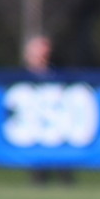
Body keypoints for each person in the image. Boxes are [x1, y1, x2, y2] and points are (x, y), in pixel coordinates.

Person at [23, 34, 75, 186]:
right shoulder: (20, 77)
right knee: (37, 162)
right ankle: (39, 179)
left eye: (45, 53)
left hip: (55, 122)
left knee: (61, 155)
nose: (43, 56)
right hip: (33, 122)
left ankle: (65, 180)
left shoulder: (57, 74)